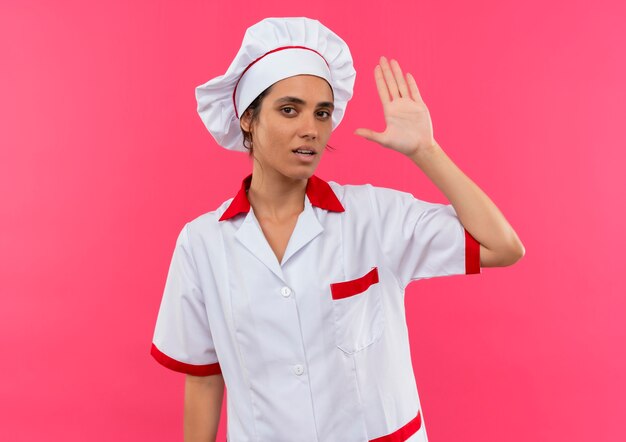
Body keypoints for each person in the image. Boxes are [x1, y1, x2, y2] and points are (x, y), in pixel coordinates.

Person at [150, 16, 525, 442]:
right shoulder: (201, 244)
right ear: (248, 119)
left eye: (322, 112)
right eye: (289, 109)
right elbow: (203, 377)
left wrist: (426, 151)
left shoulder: (374, 216)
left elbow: (502, 246)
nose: (311, 129)